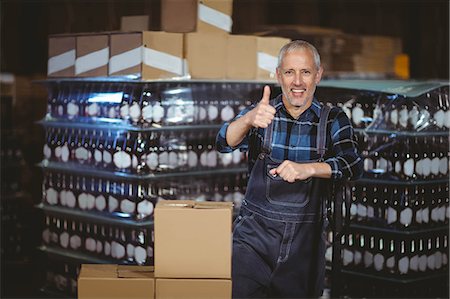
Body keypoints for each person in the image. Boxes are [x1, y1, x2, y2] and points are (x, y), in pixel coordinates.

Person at [216, 40, 363, 298]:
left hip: (303, 250)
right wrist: (248, 120)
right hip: (253, 244)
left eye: (305, 72)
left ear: (318, 75)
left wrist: (309, 169)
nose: (297, 81)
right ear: (278, 76)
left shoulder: (333, 120)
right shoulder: (263, 113)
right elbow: (222, 142)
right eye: (289, 72)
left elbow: (353, 165)